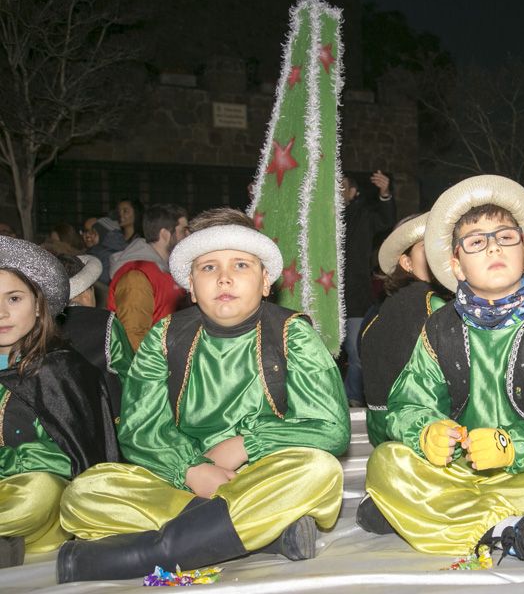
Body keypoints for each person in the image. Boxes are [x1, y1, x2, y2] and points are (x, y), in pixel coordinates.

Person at [57, 208, 350, 583]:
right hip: (181, 482)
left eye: (241, 265)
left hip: (262, 476)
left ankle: (151, 551)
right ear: (190, 286)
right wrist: (191, 469)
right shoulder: (163, 338)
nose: (225, 277)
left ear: (265, 281)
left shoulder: (293, 334)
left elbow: (329, 427)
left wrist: (247, 444)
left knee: (317, 471)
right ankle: (261, 533)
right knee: (85, 491)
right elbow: (140, 431)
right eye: (208, 267)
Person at [363, 175, 524, 565]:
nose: (493, 248)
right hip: (460, 470)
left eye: (505, 237)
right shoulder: (438, 327)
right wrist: (425, 432)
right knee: (387, 461)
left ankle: (437, 517)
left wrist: (515, 444)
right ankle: (511, 530)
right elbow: (406, 405)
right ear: (456, 265)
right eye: (476, 241)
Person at [0, 237, 119, 569]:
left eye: (14, 298)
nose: (1, 313)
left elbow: (68, 456)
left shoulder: (60, 369)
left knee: (38, 491)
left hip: (39, 499)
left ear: (38, 305)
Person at [356, 213, 446, 534]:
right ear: (406, 263)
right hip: (423, 439)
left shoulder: (375, 317)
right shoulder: (439, 308)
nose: (440, 253)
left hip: (385, 443)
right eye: (428, 247)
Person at [342, 171, 396, 407]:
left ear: (353, 192)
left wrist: (385, 193)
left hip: (354, 298)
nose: (336, 189)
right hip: (321, 299)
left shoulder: (361, 215)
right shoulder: (319, 218)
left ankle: (352, 399)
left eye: (342, 185)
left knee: (357, 353)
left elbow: (385, 220)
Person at [55, 253, 133, 418]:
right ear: (86, 292)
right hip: (103, 420)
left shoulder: (35, 324)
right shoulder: (105, 322)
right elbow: (129, 377)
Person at [108, 203, 189, 351]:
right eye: (183, 231)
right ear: (165, 234)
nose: (188, 236)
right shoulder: (136, 276)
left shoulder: (167, 270)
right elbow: (134, 337)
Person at [82, 217, 126, 285]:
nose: (87, 235)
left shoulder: (106, 254)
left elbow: (103, 284)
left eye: (93, 232)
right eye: (85, 231)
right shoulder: (95, 252)